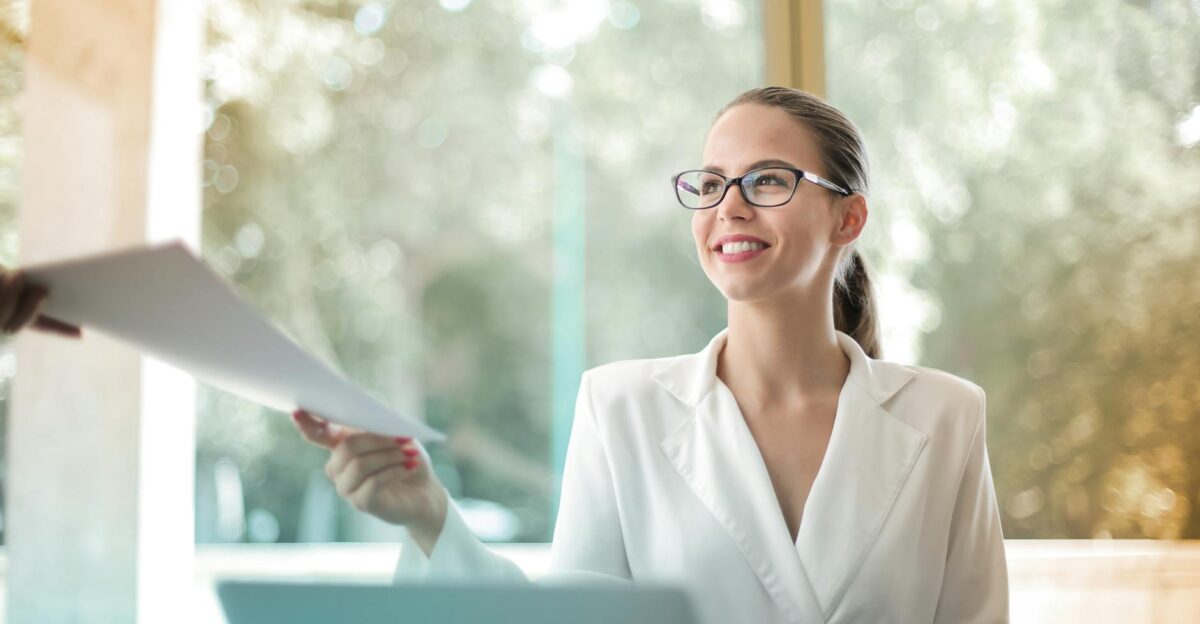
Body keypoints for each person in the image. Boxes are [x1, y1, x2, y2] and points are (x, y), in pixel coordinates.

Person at [4, 87, 1009, 623]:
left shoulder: (942, 416)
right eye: (707, 183)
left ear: (850, 217)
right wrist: (427, 515)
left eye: (769, 179)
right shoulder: (622, 407)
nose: (729, 205)